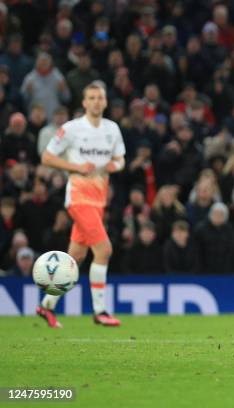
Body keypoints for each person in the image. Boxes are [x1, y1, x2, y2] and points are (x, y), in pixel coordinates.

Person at [37, 81, 126, 328]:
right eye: (92, 98)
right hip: (78, 197)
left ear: (106, 101)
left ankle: (46, 307)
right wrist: (76, 167)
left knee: (75, 257)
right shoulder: (72, 129)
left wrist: (112, 166)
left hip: (99, 199)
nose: (97, 101)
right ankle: (100, 312)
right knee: (104, 250)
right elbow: (46, 156)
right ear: (84, 102)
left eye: (100, 97)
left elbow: (121, 160)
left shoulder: (112, 129)